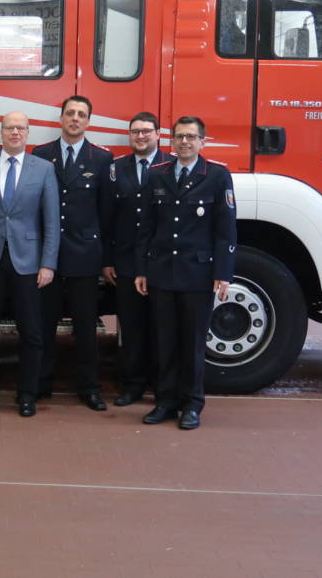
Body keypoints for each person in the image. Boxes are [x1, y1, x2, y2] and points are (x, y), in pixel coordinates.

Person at [135, 116, 237, 430]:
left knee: (192, 343)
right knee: (164, 341)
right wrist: (142, 269)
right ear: (171, 141)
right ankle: (165, 402)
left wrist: (223, 272)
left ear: (202, 142)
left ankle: (192, 405)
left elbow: (225, 230)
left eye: (191, 137)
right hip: (162, 272)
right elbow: (146, 228)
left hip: (197, 274)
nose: (184, 143)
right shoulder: (157, 175)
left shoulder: (217, 176)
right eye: (179, 137)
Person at [0, 112, 59, 417]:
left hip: (29, 264)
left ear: (28, 133)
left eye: (21, 128)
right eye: (9, 128)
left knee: (31, 333)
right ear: (0, 132)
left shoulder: (43, 169)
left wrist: (48, 264)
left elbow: (52, 222)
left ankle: (27, 394)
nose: (15, 132)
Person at [32, 95, 114, 410]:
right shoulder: (41, 155)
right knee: (44, 324)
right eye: (70, 113)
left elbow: (106, 213)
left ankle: (89, 388)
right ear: (61, 118)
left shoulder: (102, 159)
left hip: (84, 255)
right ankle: (41, 383)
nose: (75, 119)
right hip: (48, 257)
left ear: (88, 121)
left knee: (84, 327)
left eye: (81, 114)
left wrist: (105, 259)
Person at [101, 111, 173, 406]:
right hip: (127, 262)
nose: (140, 136)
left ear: (158, 134)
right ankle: (131, 385)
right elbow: (107, 217)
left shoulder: (171, 166)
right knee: (130, 328)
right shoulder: (116, 168)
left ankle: (161, 386)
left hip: (161, 262)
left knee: (161, 328)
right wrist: (107, 260)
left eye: (146, 131)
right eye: (135, 132)